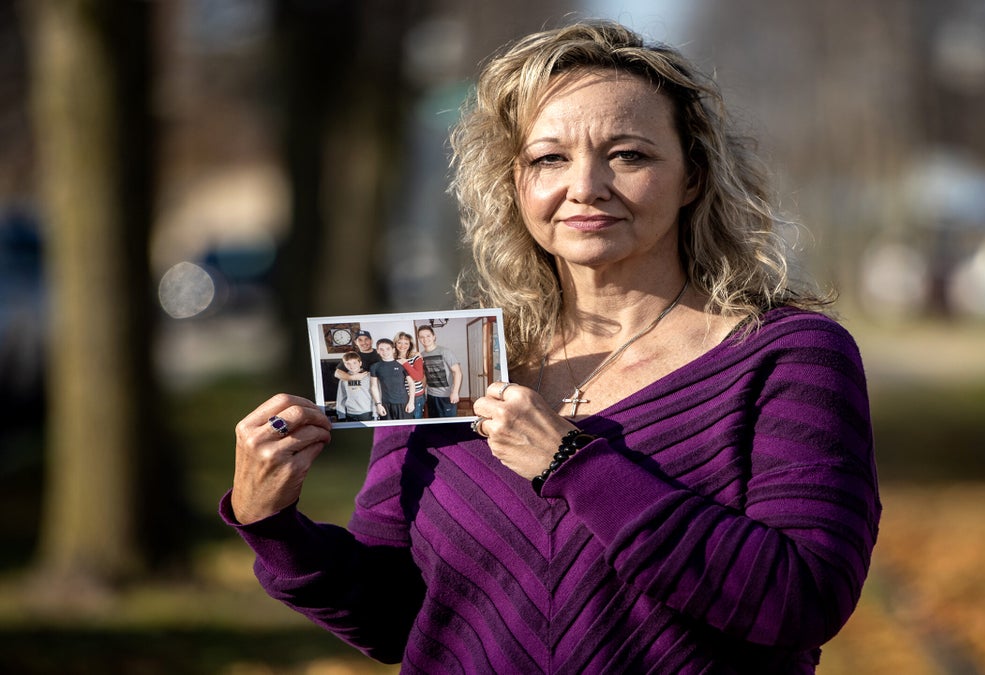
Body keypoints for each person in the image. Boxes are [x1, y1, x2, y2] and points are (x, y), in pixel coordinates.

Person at [225, 19, 880, 674]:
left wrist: (572, 462)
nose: (586, 185)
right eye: (550, 158)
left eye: (630, 155)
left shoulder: (785, 357)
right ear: (516, 185)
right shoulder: (441, 358)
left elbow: (803, 597)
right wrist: (275, 527)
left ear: (692, 177)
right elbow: (400, 616)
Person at [416, 324, 462, 418]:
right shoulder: (421, 355)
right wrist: (423, 392)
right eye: (422, 337)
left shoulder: (445, 352)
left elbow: (457, 372)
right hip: (431, 396)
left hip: (446, 396)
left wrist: (455, 392)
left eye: (428, 336)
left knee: (449, 426)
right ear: (419, 339)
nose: (425, 339)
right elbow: (424, 376)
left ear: (434, 337)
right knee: (435, 425)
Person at [367, 339, 417, 421]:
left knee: (406, 431)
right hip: (386, 404)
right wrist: (378, 405)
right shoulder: (375, 367)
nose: (385, 352)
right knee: (389, 431)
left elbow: (411, 384)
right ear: (378, 351)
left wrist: (411, 402)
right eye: (381, 349)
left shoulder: (402, 364)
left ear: (393, 350)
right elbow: (374, 386)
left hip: (403, 403)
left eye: (388, 349)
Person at [392, 331, 426, 419]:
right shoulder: (392, 358)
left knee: (416, 422)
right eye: (399, 342)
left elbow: (418, 377)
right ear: (395, 343)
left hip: (416, 396)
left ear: (410, 345)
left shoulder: (416, 357)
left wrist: (405, 363)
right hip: (400, 397)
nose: (402, 346)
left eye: (406, 343)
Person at [334, 352, 375, 422]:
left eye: (354, 363)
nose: (352, 366)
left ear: (360, 363)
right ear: (344, 365)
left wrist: (375, 412)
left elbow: (375, 395)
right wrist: (341, 413)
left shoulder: (369, 376)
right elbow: (341, 396)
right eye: (348, 363)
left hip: (367, 412)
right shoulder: (344, 378)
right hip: (350, 413)